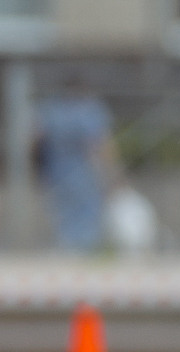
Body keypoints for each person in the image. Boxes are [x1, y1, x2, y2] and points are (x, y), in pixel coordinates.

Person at [36, 73, 119, 256]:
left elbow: (36, 138)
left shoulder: (52, 109)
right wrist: (112, 173)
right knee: (86, 214)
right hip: (84, 171)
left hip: (56, 171)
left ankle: (68, 250)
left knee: (63, 215)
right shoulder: (89, 109)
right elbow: (100, 143)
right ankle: (83, 252)